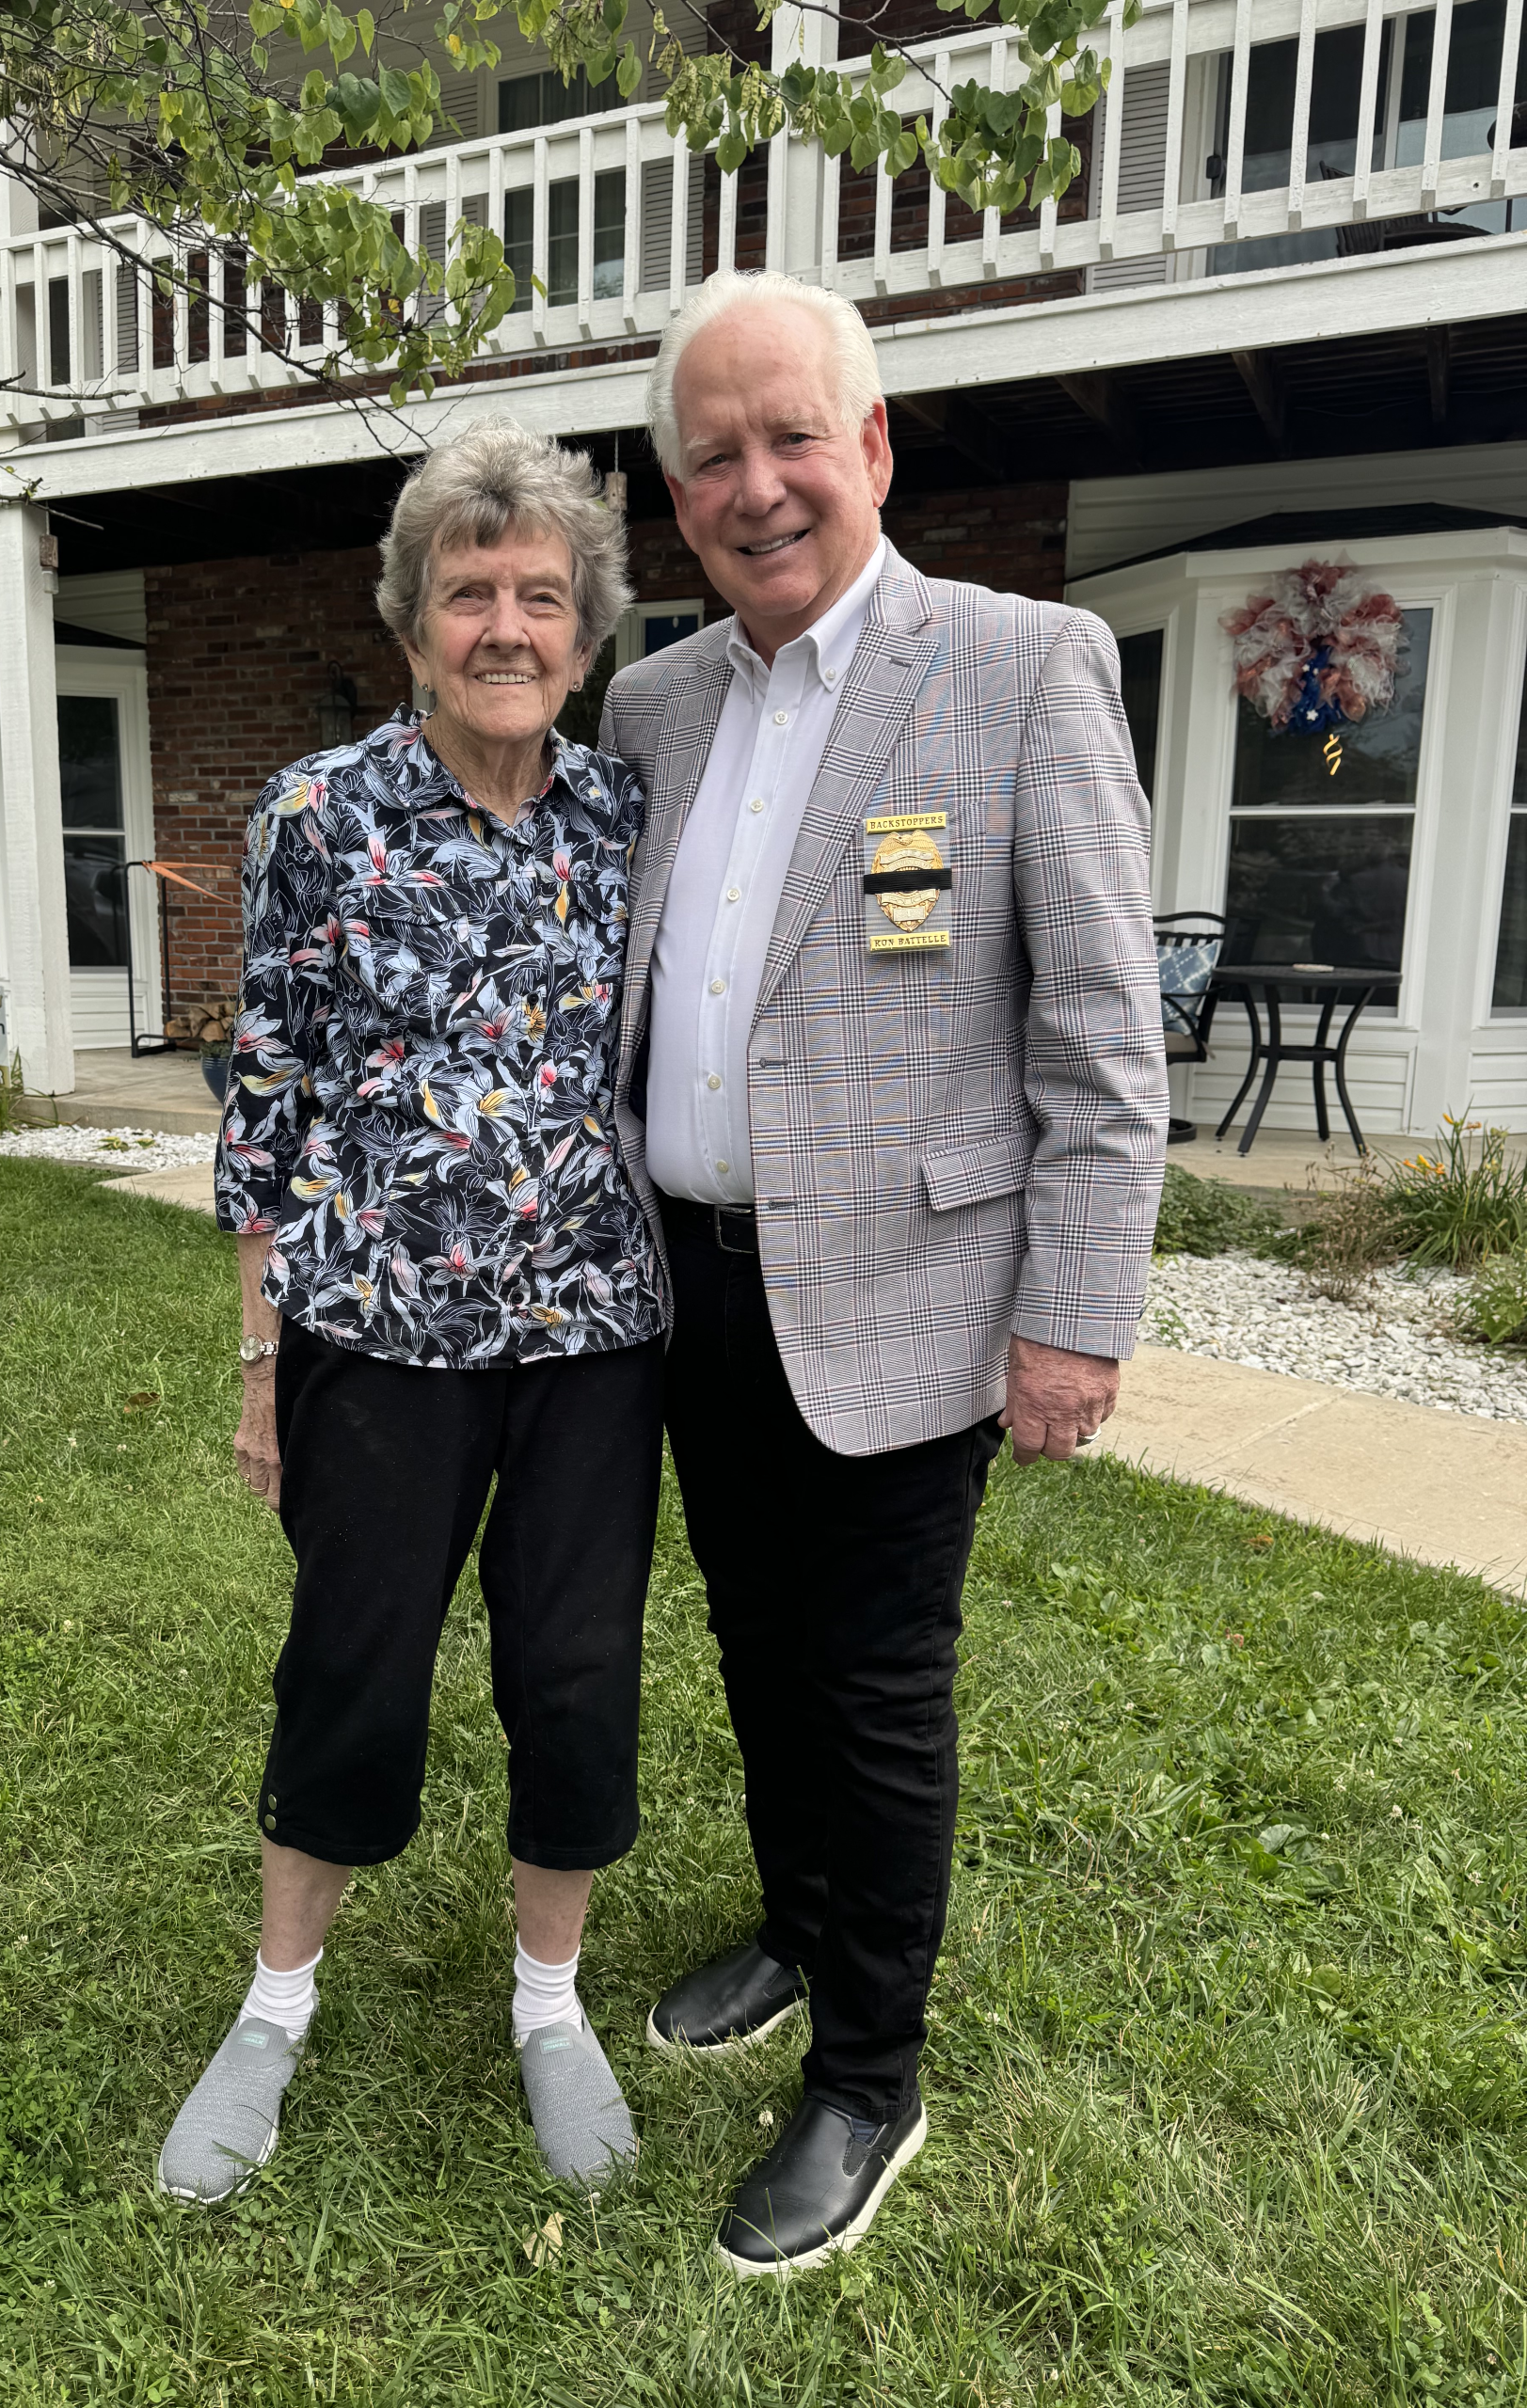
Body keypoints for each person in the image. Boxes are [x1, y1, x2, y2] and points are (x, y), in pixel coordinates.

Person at [599, 270, 1167, 2276]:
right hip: (695, 1286)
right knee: (754, 1640)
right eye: (713, 456)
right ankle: (791, 1918)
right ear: (677, 496)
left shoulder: (1021, 664)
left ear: (878, 448)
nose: (758, 486)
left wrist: (1077, 1308)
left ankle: (870, 2066)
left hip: (917, 1297)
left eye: (791, 439)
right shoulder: (655, 701)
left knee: (878, 1683)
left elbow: (1102, 1030)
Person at [159, 420, 668, 2206]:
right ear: (411, 622)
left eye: (543, 596)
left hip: (595, 1333)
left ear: (588, 636)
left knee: (577, 1668)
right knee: (353, 1665)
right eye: (472, 594)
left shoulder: (627, 814)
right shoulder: (317, 813)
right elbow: (268, 1100)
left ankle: (550, 2002)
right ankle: (274, 2008)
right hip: (373, 1329)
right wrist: (258, 1363)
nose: (508, 627)